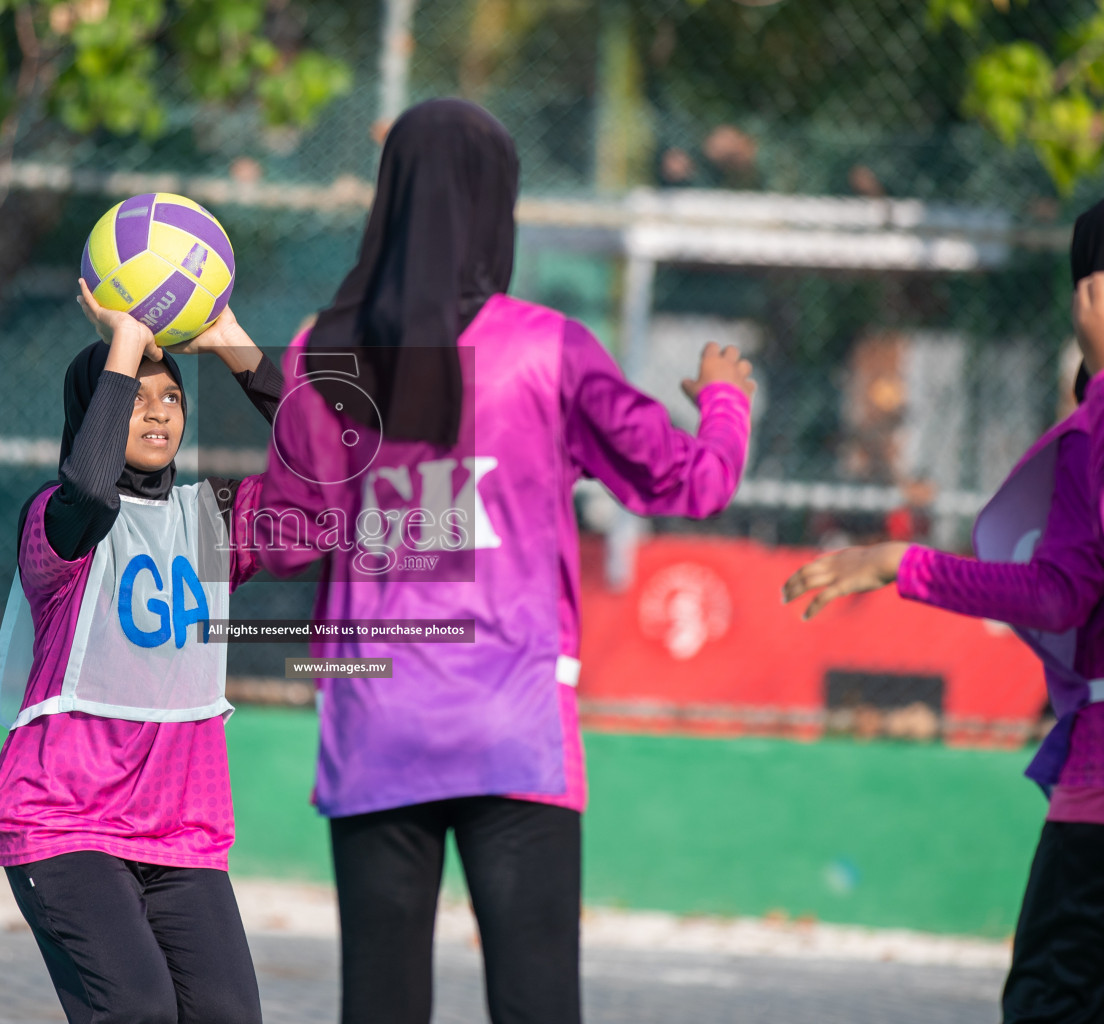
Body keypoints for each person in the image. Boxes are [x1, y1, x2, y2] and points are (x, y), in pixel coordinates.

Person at [254, 98, 756, 1024]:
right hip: (512, 716)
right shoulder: (547, 347)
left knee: (379, 1001)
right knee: (535, 1000)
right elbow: (690, 483)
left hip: (373, 714)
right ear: (499, 206)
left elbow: (287, 534)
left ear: (390, 198)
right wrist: (724, 401)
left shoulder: (321, 353)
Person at [785, 199, 1104, 1024]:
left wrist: (902, 563)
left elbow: (1054, 594)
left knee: (1051, 1001)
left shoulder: (1092, 437)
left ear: (1092, 296)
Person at [0, 278, 282, 1024]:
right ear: (96, 413)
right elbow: (89, 488)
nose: (156, 410)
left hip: (182, 830)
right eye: (136, 395)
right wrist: (123, 339)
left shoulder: (212, 517)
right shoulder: (55, 527)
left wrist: (234, 346)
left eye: (172, 397)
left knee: (228, 1015)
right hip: (65, 821)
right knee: (140, 1010)